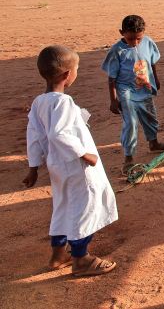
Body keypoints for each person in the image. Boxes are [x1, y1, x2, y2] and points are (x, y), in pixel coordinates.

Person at [23, 45, 118, 276]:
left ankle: (58, 255)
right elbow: (59, 133)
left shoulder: (39, 102)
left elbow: (34, 136)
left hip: (57, 166)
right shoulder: (63, 102)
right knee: (85, 208)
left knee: (63, 206)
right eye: (77, 69)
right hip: (77, 166)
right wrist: (84, 154)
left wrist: (33, 167)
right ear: (67, 75)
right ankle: (81, 258)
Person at [102, 15, 164, 174]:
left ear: (143, 33)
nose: (135, 43)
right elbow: (112, 78)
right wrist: (113, 100)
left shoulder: (148, 43)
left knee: (150, 117)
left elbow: (152, 62)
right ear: (122, 33)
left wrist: (156, 79)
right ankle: (128, 158)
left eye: (138, 38)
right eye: (131, 39)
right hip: (126, 91)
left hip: (145, 87)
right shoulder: (117, 50)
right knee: (131, 123)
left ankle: (153, 143)